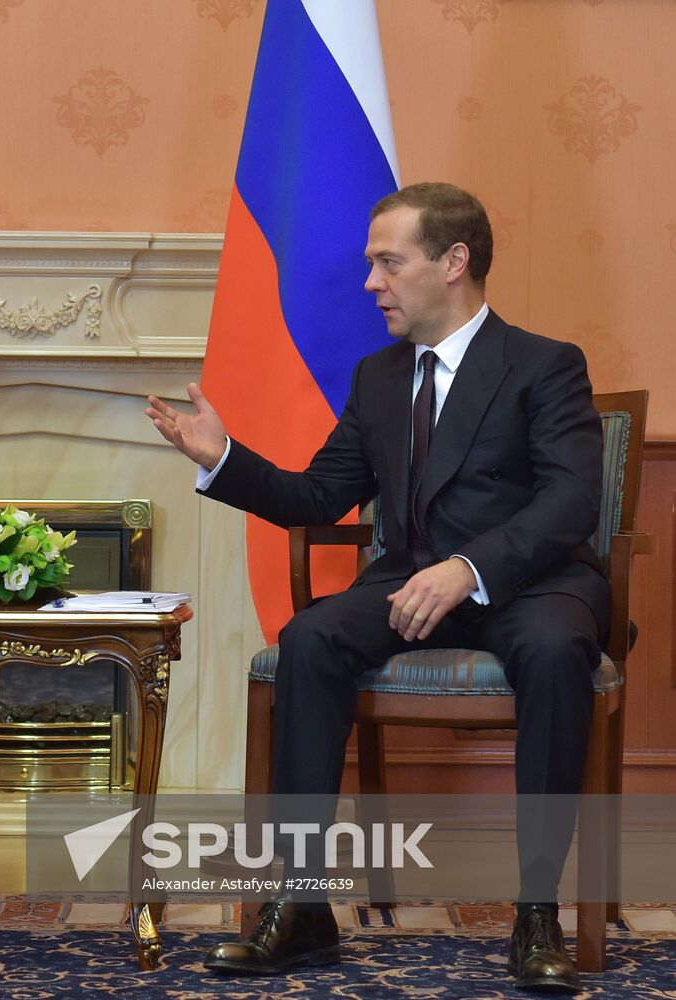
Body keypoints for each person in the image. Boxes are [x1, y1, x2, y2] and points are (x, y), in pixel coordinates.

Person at [147, 183, 606, 994]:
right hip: (408, 586)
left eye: (388, 263)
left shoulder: (545, 364)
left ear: (454, 262)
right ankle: (303, 905)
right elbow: (321, 494)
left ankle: (538, 912)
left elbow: (571, 500)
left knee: (554, 650)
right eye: (372, 265)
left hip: (528, 586)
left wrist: (467, 570)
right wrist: (222, 459)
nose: (371, 283)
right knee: (310, 638)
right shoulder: (380, 377)